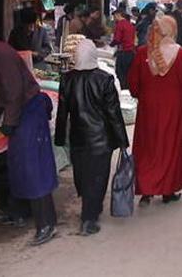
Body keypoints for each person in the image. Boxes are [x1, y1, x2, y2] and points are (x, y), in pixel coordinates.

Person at [0, 15, 58, 246]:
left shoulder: (2, 55)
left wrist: (9, 121)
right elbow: (1, 94)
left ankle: (47, 223)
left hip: (29, 111)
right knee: (18, 164)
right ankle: (19, 212)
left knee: (33, 166)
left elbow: (15, 93)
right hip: (19, 112)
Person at [128, 15, 182, 206]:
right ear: (172, 31)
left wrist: (143, 95)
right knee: (171, 148)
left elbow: (133, 84)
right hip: (174, 111)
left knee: (148, 149)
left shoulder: (143, 53)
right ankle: (167, 191)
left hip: (148, 110)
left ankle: (146, 192)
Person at [55, 39, 129, 235]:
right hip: (101, 139)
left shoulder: (67, 79)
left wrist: (60, 139)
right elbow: (113, 114)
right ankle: (89, 218)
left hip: (78, 137)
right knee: (97, 177)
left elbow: (63, 113)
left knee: (82, 175)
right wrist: (122, 141)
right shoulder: (104, 79)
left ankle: (91, 209)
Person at [111, 8, 136, 89]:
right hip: (131, 52)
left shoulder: (120, 24)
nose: (114, 18)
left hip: (123, 52)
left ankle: (123, 89)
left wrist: (111, 44)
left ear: (118, 15)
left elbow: (117, 40)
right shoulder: (130, 25)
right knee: (128, 73)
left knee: (120, 73)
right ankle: (128, 89)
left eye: (114, 16)